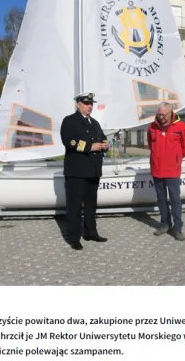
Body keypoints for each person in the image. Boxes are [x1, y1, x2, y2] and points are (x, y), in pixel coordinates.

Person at [60, 92, 109, 250]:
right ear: (78, 104)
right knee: (74, 206)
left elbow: (102, 138)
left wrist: (105, 144)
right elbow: (69, 141)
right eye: (86, 103)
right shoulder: (70, 120)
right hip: (77, 171)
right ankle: (74, 238)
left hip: (93, 171)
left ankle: (91, 232)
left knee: (91, 205)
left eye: (91, 104)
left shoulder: (94, 123)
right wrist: (89, 147)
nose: (90, 106)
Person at [148, 102, 185, 241]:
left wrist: (176, 158)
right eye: (159, 114)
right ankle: (165, 224)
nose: (160, 117)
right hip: (157, 169)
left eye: (163, 114)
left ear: (170, 112)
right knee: (161, 199)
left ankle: (177, 228)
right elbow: (150, 145)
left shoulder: (181, 126)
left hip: (172, 169)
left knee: (175, 200)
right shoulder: (152, 127)